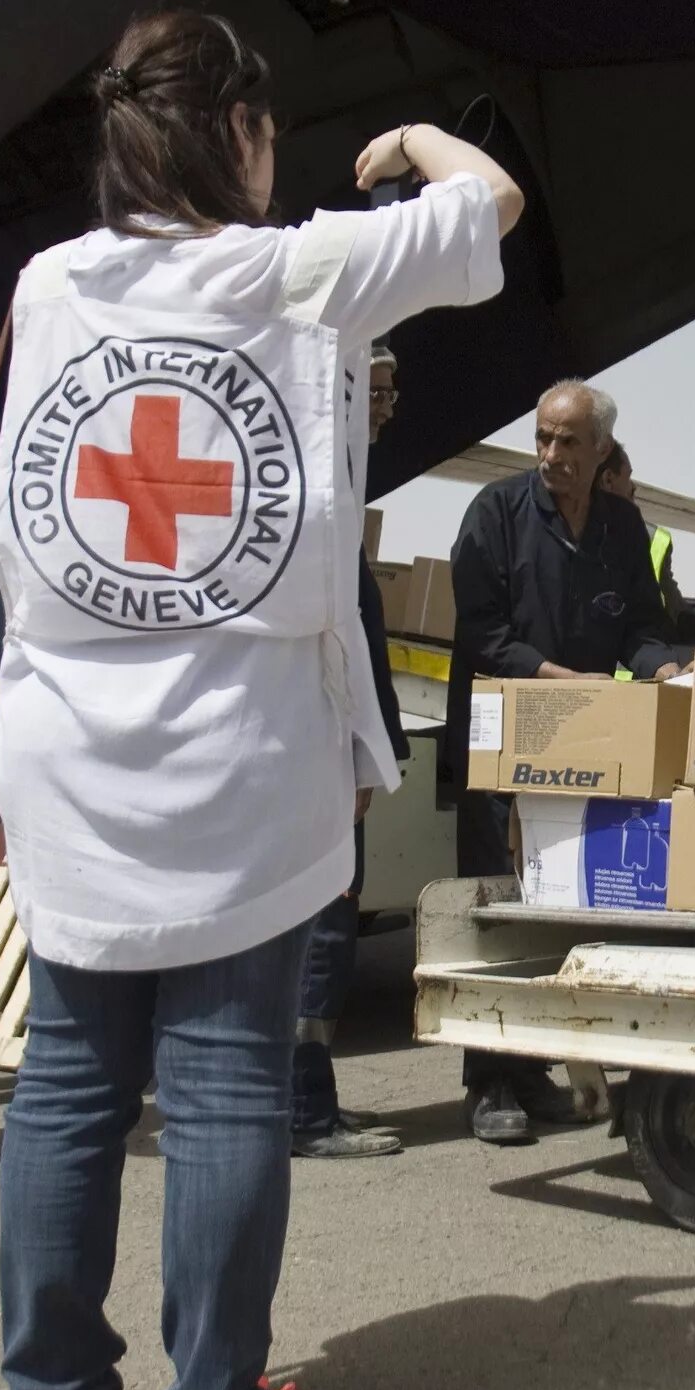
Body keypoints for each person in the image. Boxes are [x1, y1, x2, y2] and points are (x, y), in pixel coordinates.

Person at [0, 8, 520, 1390]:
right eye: (265, 130)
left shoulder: (46, 284)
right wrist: (415, 145)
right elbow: (489, 205)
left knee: (68, 1082)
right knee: (224, 1089)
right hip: (235, 744)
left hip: (70, 742)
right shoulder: (296, 270)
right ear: (238, 134)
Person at [447, 379, 688, 1144]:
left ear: (602, 450)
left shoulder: (622, 525)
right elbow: (483, 634)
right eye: (543, 439)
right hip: (505, 741)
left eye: (568, 442)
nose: (551, 455)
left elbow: (642, 631)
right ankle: (489, 1083)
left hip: (581, 751)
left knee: (558, 909)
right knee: (495, 914)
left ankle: (535, 1073)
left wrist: (662, 670)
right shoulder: (495, 515)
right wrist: (563, 681)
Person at [294, 343, 411, 1161]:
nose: (386, 404)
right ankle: (301, 1112)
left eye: (390, 389)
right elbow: (335, 638)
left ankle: (307, 1102)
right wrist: (358, 753)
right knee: (322, 936)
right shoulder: (320, 491)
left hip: (332, 750)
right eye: (372, 389)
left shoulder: (336, 482)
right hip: (319, 756)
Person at [600, 440, 695, 650]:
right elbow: (668, 609)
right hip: (635, 670)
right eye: (628, 475)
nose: (634, 486)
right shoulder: (648, 536)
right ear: (608, 479)